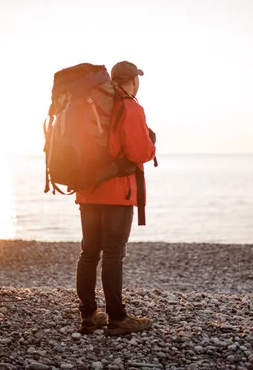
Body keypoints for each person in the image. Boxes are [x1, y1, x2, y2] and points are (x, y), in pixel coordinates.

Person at [75, 61, 156, 336]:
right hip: (117, 193)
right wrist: (152, 141)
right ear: (132, 81)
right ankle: (118, 318)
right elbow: (140, 152)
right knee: (112, 254)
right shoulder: (130, 106)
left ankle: (88, 316)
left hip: (87, 190)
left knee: (89, 253)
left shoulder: (93, 105)